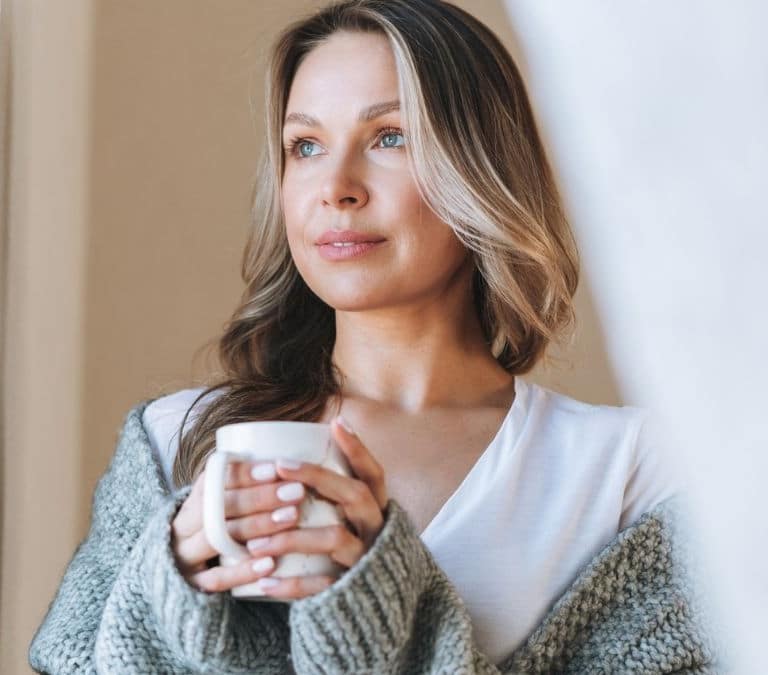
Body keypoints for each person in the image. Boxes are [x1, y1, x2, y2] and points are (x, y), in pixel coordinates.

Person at [29, 1, 723, 672]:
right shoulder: (174, 442)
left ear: (481, 166)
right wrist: (167, 593)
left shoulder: (632, 474)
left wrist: (374, 607)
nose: (335, 187)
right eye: (305, 146)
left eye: (390, 137)